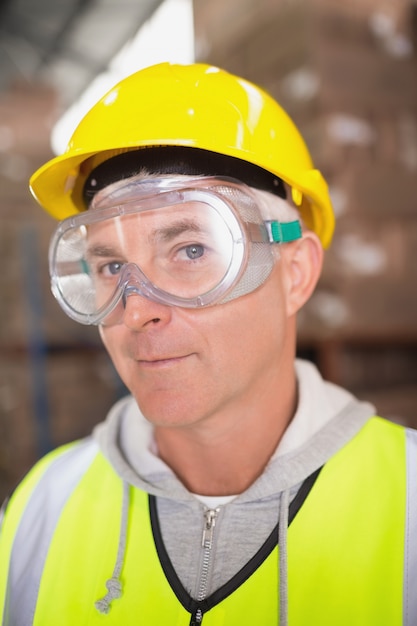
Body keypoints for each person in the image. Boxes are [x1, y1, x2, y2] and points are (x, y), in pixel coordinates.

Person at [0, 62, 415, 626]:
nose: (137, 309)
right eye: (111, 264)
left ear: (294, 271)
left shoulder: (409, 502)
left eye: (192, 250)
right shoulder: (41, 509)